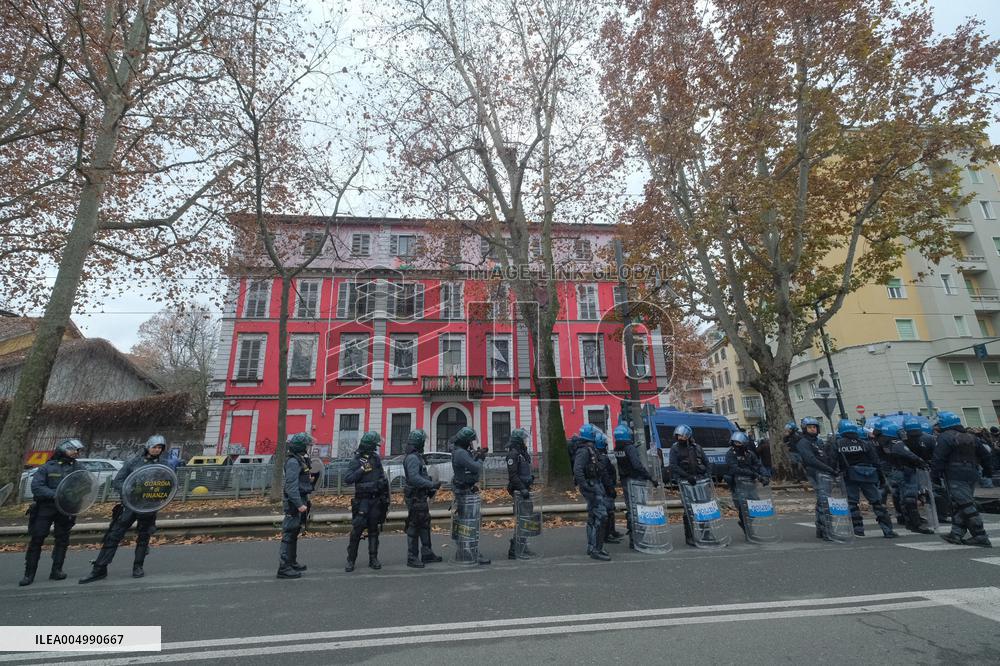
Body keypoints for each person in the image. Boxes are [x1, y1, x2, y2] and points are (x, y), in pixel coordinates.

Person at [79, 435, 168, 584]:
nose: (157, 450)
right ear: (148, 446)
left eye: (160, 448)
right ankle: (99, 569)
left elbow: (167, 484)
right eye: (155, 447)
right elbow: (118, 482)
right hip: (130, 505)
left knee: (144, 537)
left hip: (148, 507)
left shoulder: (164, 465)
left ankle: (138, 566)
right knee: (113, 535)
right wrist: (131, 490)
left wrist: (157, 493)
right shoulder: (133, 462)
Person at [20, 439, 85, 586]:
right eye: (73, 449)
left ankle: (57, 571)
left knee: (62, 540)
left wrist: (73, 494)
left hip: (66, 509)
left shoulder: (79, 468)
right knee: (37, 539)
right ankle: (29, 574)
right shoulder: (47, 467)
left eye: (78, 451)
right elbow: (37, 487)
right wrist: (56, 494)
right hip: (45, 508)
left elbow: (86, 485)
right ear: (63, 449)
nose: (76, 453)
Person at [933, 411, 993, 547]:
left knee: (966, 505)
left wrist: (935, 477)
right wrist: (987, 472)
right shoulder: (971, 437)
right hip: (971, 473)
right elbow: (986, 455)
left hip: (954, 475)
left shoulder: (944, 437)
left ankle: (980, 535)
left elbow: (938, 459)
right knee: (960, 504)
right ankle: (956, 534)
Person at [833, 420, 898, 538]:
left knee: (852, 503)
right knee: (877, 503)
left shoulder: (838, 444)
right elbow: (875, 461)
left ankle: (858, 530)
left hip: (849, 476)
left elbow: (833, 461)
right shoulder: (864, 443)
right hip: (868, 476)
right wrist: (881, 478)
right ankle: (887, 530)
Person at [271, 432, 314, 579]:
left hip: (300, 499)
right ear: (301, 446)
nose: (309, 447)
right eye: (307, 445)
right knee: (289, 534)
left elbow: (299, 480)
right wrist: (299, 504)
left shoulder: (299, 460)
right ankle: (284, 568)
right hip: (293, 503)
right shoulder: (293, 462)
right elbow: (291, 486)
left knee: (294, 533)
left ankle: (292, 562)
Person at [345, 431, 388, 572]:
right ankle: (351, 560)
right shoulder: (356, 460)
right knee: (356, 531)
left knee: (374, 531)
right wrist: (362, 470)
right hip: (362, 501)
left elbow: (382, 476)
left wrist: (384, 493)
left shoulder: (375, 458)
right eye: (374, 445)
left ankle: (373, 558)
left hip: (375, 501)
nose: (376, 448)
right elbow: (348, 479)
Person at [403, 429, 443, 568]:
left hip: (420, 496)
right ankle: (412, 557)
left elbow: (421, 475)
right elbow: (414, 478)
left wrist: (429, 485)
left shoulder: (415, 456)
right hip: (415, 497)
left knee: (424, 524)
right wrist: (431, 484)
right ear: (418, 442)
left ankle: (427, 553)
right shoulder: (413, 458)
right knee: (414, 526)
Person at [795, 417, 840, 540]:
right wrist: (829, 469)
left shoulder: (817, 441)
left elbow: (824, 456)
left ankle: (821, 529)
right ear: (804, 429)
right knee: (825, 502)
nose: (813, 429)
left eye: (814, 427)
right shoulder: (803, 442)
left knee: (822, 501)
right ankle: (827, 532)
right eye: (809, 427)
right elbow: (810, 460)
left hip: (824, 473)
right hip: (816, 473)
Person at [451, 426, 491, 565]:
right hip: (464, 492)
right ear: (465, 441)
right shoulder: (460, 453)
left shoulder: (461, 451)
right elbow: (475, 467)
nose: (472, 443)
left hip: (466, 489)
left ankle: (464, 550)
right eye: (470, 441)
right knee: (469, 523)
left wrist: (476, 455)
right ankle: (471, 552)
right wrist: (480, 459)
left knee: (466, 522)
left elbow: (468, 466)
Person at [613, 423, 655, 550]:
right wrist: (649, 477)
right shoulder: (629, 448)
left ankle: (633, 539)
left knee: (631, 510)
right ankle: (639, 540)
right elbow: (636, 465)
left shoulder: (617, 448)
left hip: (626, 482)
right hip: (635, 481)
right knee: (639, 509)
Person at [668, 424, 711, 547]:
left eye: (682, 435)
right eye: (678, 435)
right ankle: (690, 536)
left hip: (700, 481)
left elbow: (706, 463)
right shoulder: (675, 448)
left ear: (687, 436)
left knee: (704, 508)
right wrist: (687, 476)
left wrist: (707, 476)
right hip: (685, 482)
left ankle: (706, 534)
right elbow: (673, 466)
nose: (679, 437)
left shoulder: (696, 447)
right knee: (689, 509)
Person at [572, 424, 610, 560]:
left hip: (594, 484)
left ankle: (591, 546)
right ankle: (596, 549)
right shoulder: (584, 451)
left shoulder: (589, 448)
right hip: (592, 486)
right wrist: (586, 486)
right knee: (602, 516)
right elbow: (578, 470)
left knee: (593, 517)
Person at [724, 432, 767, 540]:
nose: (737, 445)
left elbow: (758, 465)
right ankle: (749, 532)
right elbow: (735, 469)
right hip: (737, 485)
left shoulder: (749, 454)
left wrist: (765, 475)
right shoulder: (730, 454)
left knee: (755, 506)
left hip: (750, 484)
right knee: (743, 508)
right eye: (735, 442)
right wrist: (753, 474)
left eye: (739, 443)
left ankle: (745, 523)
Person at [505, 428, 538, 559]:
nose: (525, 440)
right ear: (518, 440)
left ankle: (522, 546)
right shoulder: (513, 454)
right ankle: (516, 549)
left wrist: (530, 479)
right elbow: (512, 475)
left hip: (525, 488)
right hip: (519, 491)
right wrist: (521, 488)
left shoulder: (521, 453)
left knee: (526, 519)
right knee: (521, 519)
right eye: (523, 439)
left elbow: (523, 471)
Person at [872, 420, 905, 526]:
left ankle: (882, 514)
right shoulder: (884, 440)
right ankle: (899, 515)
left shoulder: (876, 439)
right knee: (895, 491)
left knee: (884, 491)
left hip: (882, 466)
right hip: (889, 466)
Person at [595, 431, 623, 546]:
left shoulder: (599, 456)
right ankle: (608, 535)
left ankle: (611, 532)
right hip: (606, 488)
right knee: (608, 511)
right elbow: (606, 475)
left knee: (610, 510)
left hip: (605, 487)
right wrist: (610, 488)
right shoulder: (602, 458)